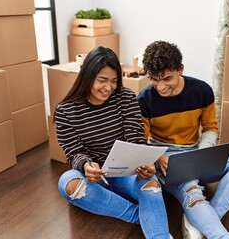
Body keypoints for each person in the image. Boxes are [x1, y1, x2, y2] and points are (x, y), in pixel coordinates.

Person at [137, 41, 229, 239]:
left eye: (167, 78)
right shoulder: (144, 100)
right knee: (191, 189)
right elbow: (140, 142)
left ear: (180, 69)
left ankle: (197, 219)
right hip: (166, 160)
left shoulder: (202, 90)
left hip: (196, 153)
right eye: (154, 80)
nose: (161, 87)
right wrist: (159, 156)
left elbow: (210, 129)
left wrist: (203, 153)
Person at [54, 46, 171, 239]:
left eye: (114, 81)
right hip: (96, 179)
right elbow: (74, 152)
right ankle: (139, 215)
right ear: (87, 77)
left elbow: (136, 139)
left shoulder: (125, 98)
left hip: (127, 174)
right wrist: (86, 166)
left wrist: (146, 164)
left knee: (151, 182)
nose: (108, 87)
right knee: (68, 182)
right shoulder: (66, 111)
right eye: (102, 80)